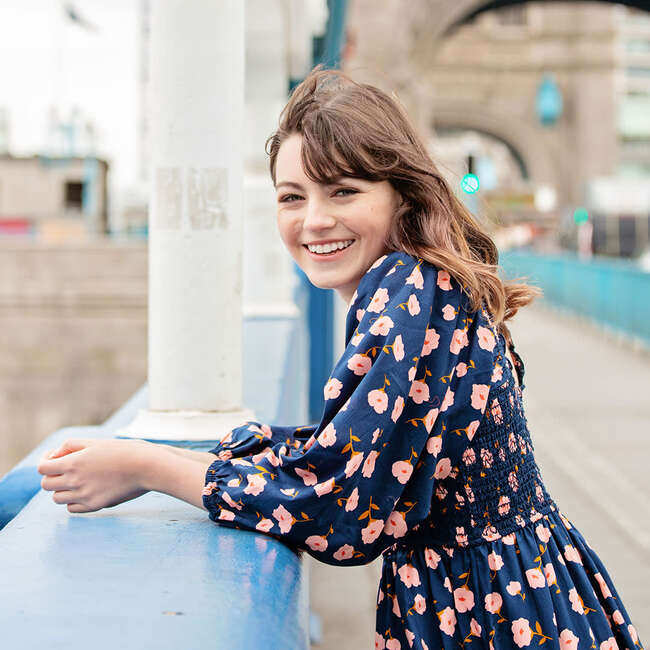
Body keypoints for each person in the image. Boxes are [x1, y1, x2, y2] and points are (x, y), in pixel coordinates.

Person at [38, 68, 643, 650]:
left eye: (343, 191)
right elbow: (347, 448)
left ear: (400, 194)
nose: (315, 220)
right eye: (291, 197)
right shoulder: (422, 282)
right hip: (517, 589)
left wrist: (147, 469)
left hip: (489, 607)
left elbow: (337, 507)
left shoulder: (408, 294)